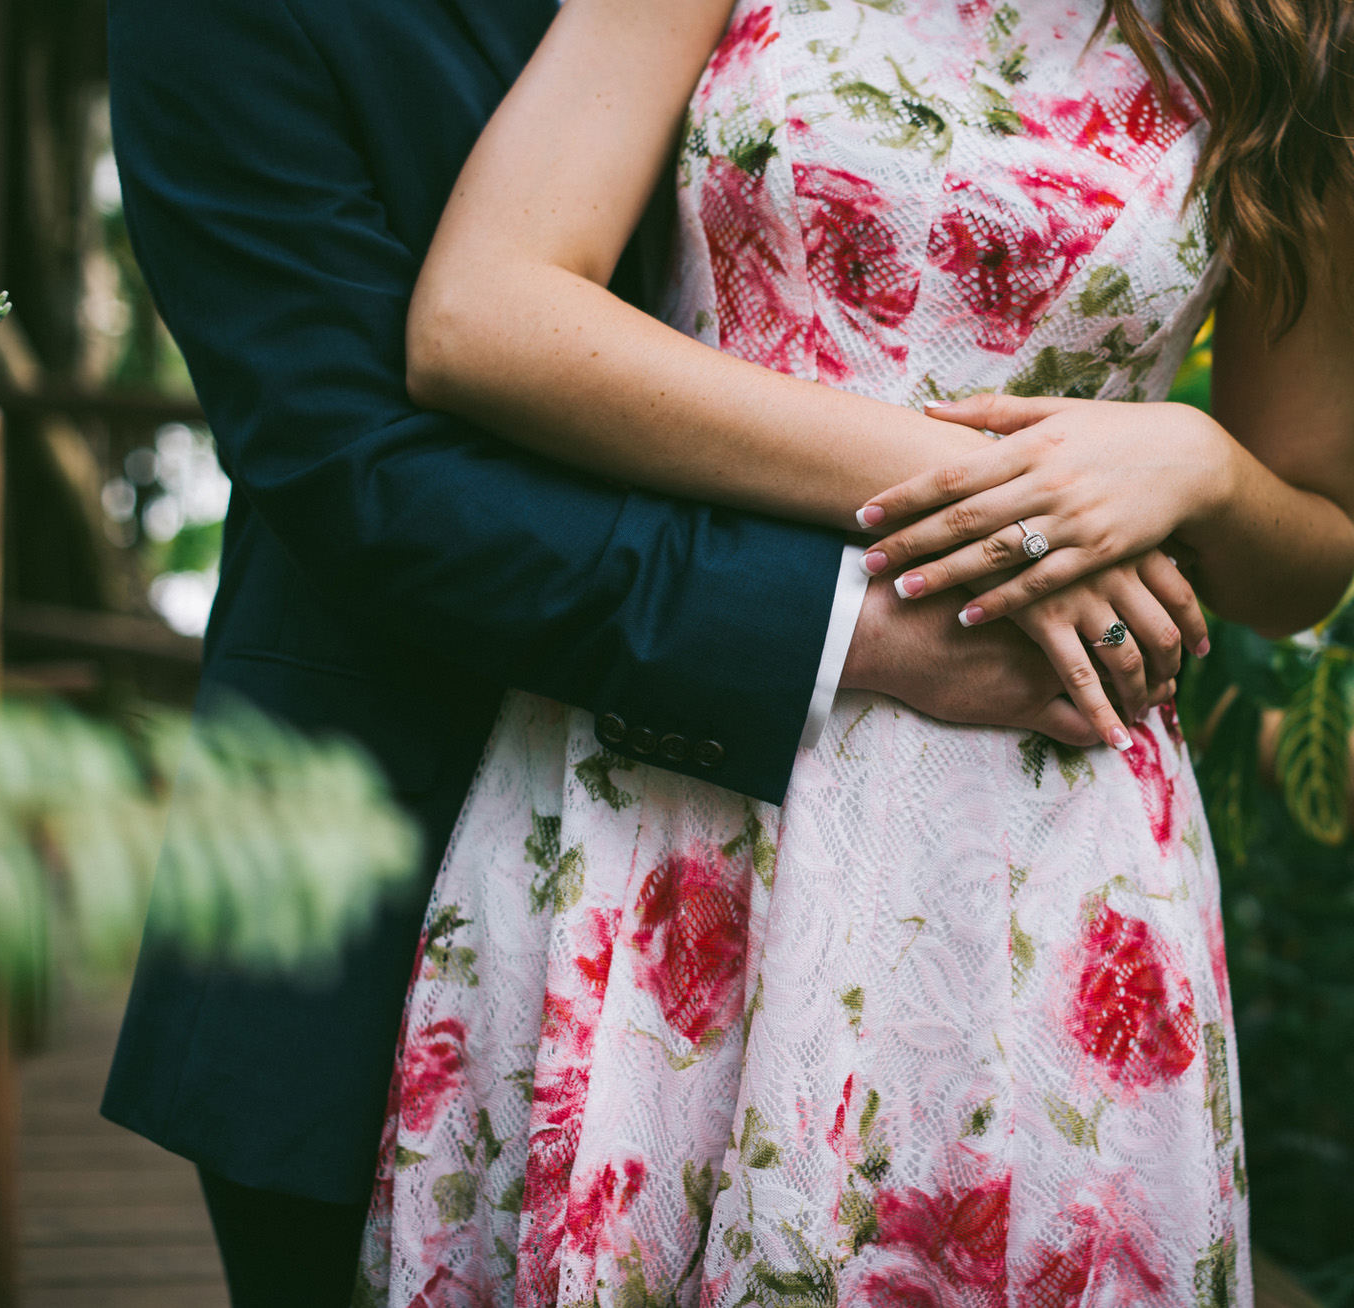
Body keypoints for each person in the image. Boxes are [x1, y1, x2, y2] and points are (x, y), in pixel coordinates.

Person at [358, 1, 1354, 1304]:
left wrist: (1200, 465)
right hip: (684, 769)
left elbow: (1308, 546)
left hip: (1030, 840)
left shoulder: (1317, 32)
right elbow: (486, 314)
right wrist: (993, 483)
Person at [98, 0, 1127, 1304]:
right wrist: (842, 626)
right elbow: (356, 468)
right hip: (380, 870)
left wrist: (1173, 463)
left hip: (884, 890)